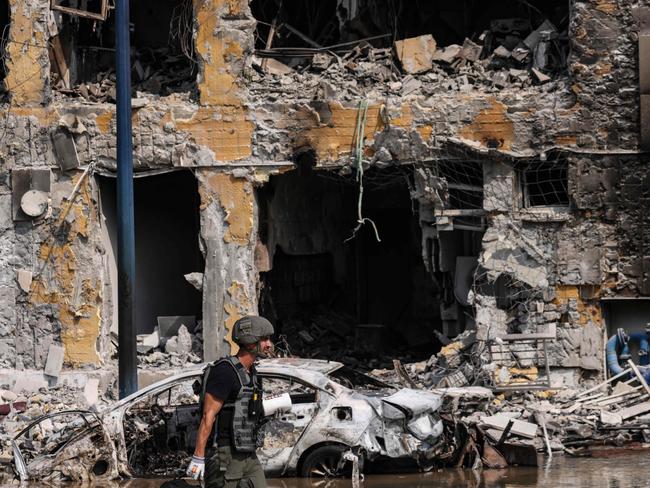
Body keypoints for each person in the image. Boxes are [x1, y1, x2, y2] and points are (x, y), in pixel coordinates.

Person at [186, 315, 274, 487]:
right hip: (224, 454)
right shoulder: (225, 372)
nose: (269, 344)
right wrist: (198, 456)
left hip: (247, 452)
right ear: (250, 342)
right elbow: (208, 416)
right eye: (264, 339)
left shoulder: (252, 373)